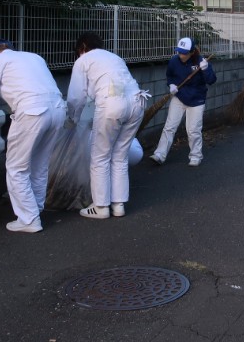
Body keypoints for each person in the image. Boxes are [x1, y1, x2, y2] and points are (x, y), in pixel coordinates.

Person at [0, 39, 66, 234]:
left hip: (32, 112)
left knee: (16, 168)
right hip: (58, 109)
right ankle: (35, 210)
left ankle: (28, 219)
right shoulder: (34, 57)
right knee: (39, 165)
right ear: (10, 49)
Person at [67, 32, 150, 220]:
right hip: (137, 102)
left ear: (82, 48)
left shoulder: (83, 60)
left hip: (112, 105)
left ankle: (101, 207)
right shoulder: (114, 57)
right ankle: (118, 205)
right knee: (120, 156)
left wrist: (72, 119)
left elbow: (76, 97)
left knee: (100, 157)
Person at [151, 37, 217, 166]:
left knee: (193, 130)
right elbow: (170, 76)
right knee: (169, 127)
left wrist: (206, 69)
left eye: (184, 53)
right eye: (179, 52)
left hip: (197, 100)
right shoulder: (174, 61)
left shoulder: (201, 62)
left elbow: (212, 80)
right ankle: (160, 154)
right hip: (179, 97)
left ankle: (196, 156)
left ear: (192, 52)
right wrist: (171, 85)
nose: (180, 55)